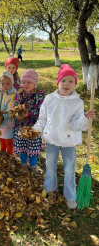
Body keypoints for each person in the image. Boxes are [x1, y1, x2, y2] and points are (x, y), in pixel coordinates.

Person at [33, 64, 96, 209]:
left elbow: (75, 124)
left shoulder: (77, 102)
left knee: (69, 169)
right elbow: (42, 119)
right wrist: (36, 130)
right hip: (51, 140)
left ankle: (70, 195)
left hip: (69, 142)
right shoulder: (49, 99)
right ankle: (49, 187)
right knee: (50, 166)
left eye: (70, 81)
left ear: (74, 84)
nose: (66, 84)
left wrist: (85, 117)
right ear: (58, 82)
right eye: (63, 80)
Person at [13, 69, 45, 173]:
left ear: (34, 83)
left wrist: (29, 114)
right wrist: (16, 113)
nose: (26, 84)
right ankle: (23, 163)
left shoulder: (39, 95)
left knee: (33, 147)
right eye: (23, 82)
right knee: (22, 145)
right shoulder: (20, 94)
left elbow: (41, 111)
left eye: (29, 82)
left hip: (34, 126)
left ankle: (32, 165)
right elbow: (16, 106)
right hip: (21, 125)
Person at [0, 71, 17, 156]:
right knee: (1, 138)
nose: (5, 86)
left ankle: (10, 155)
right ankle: (2, 154)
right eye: (3, 83)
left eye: (8, 84)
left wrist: (3, 117)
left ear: (12, 83)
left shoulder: (12, 95)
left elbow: (11, 109)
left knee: (8, 140)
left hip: (7, 122)